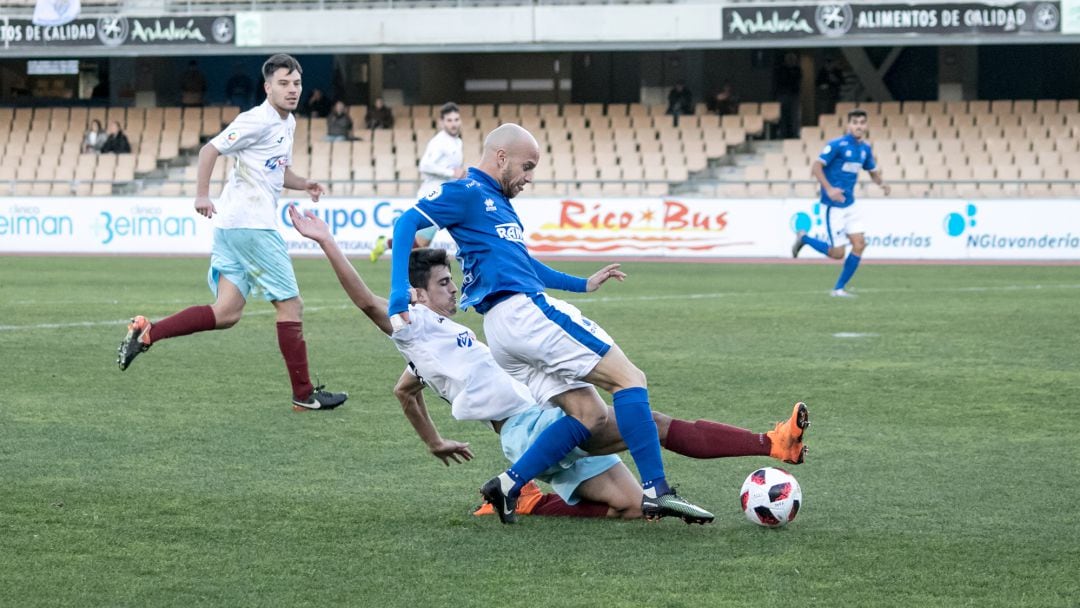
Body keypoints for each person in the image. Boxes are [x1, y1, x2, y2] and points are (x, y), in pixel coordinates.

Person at [287, 206, 809, 522]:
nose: (453, 290)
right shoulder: (413, 326)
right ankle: (771, 443)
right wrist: (328, 241)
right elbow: (366, 303)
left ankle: (529, 497)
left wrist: (435, 441)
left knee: (628, 507)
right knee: (646, 421)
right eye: (444, 285)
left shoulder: (437, 340)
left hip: (537, 427)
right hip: (528, 425)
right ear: (418, 295)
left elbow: (405, 390)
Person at [386, 123, 714, 523]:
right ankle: (656, 490)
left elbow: (526, 267)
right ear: (501, 157)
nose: (528, 178)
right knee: (630, 379)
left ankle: (509, 485)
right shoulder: (467, 192)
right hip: (523, 315)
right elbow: (407, 223)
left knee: (588, 415)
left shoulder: (500, 206)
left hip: (506, 327)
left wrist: (582, 283)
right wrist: (399, 288)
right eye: (526, 167)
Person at [116, 53, 347, 412]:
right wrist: (202, 194)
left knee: (226, 313)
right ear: (267, 86)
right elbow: (211, 150)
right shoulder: (255, 120)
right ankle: (303, 395)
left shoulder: (288, 123)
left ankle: (148, 332)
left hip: (232, 227)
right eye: (283, 83)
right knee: (291, 305)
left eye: (296, 83)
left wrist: (304, 183)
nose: (292, 90)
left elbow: (277, 170)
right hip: (251, 226)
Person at [792, 109, 890, 297]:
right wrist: (829, 188)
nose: (859, 126)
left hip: (850, 204)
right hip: (833, 205)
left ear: (866, 125)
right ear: (848, 125)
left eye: (862, 122)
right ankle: (804, 238)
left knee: (860, 244)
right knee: (837, 254)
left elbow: (871, 170)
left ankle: (838, 289)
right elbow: (816, 166)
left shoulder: (865, 149)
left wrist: (882, 184)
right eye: (855, 122)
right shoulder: (837, 145)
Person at [369, 101, 464, 262]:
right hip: (432, 197)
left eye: (456, 120)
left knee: (422, 243)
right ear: (441, 122)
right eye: (449, 120)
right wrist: (451, 172)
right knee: (420, 244)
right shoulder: (438, 142)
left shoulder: (457, 142)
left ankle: (385, 244)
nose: (453, 124)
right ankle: (385, 244)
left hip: (446, 196)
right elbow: (424, 165)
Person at [774, 52, 802, 139]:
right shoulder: (781, 69)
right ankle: (783, 134)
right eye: (789, 59)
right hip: (782, 95)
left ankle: (795, 135)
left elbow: (797, 81)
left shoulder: (797, 69)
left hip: (794, 95)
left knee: (794, 116)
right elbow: (779, 81)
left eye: (792, 59)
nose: (790, 61)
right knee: (782, 116)